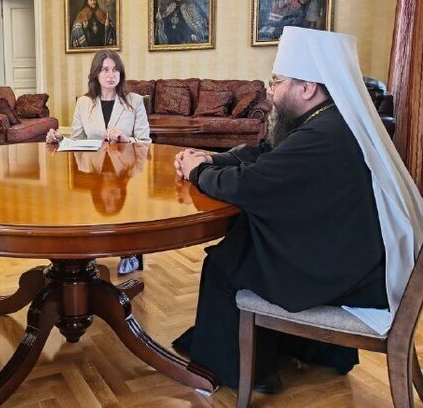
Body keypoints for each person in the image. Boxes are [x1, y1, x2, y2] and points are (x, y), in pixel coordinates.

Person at [171, 27, 423, 393]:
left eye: (276, 82)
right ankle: (307, 352)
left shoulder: (323, 134)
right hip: (353, 252)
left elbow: (248, 185)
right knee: (242, 245)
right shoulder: (329, 119)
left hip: (346, 271)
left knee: (225, 264)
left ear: (307, 88)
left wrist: (198, 172)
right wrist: (211, 159)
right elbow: (266, 154)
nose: (270, 91)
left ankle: (235, 374)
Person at [47, 50, 151, 274]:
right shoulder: (84, 103)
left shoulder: (134, 101)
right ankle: (89, 253)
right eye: (105, 70)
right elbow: (77, 140)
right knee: (81, 207)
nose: (111, 75)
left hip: (126, 169)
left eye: (115, 70)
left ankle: (129, 251)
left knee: (125, 207)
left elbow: (145, 142)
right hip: (93, 171)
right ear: (96, 73)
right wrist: (59, 140)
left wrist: (126, 139)